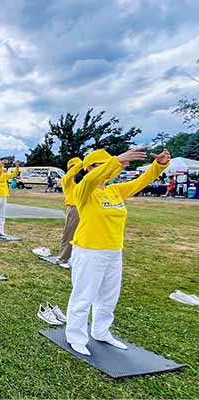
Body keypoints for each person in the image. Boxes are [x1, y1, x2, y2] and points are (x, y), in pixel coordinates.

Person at [65, 147, 170, 356]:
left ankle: (101, 331)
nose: (116, 168)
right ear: (91, 168)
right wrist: (117, 159)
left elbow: (141, 181)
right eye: (105, 164)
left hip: (113, 251)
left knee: (108, 297)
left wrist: (159, 165)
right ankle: (75, 336)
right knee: (84, 296)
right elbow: (88, 180)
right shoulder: (83, 190)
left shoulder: (115, 191)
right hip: (89, 250)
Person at [55, 157, 83, 268]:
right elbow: (75, 169)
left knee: (81, 235)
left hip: (84, 208)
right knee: (70, 234)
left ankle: (75, 258)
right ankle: (63, 259)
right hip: (74, 208)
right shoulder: (66, 179)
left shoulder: (81, 180)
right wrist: (84, 162)